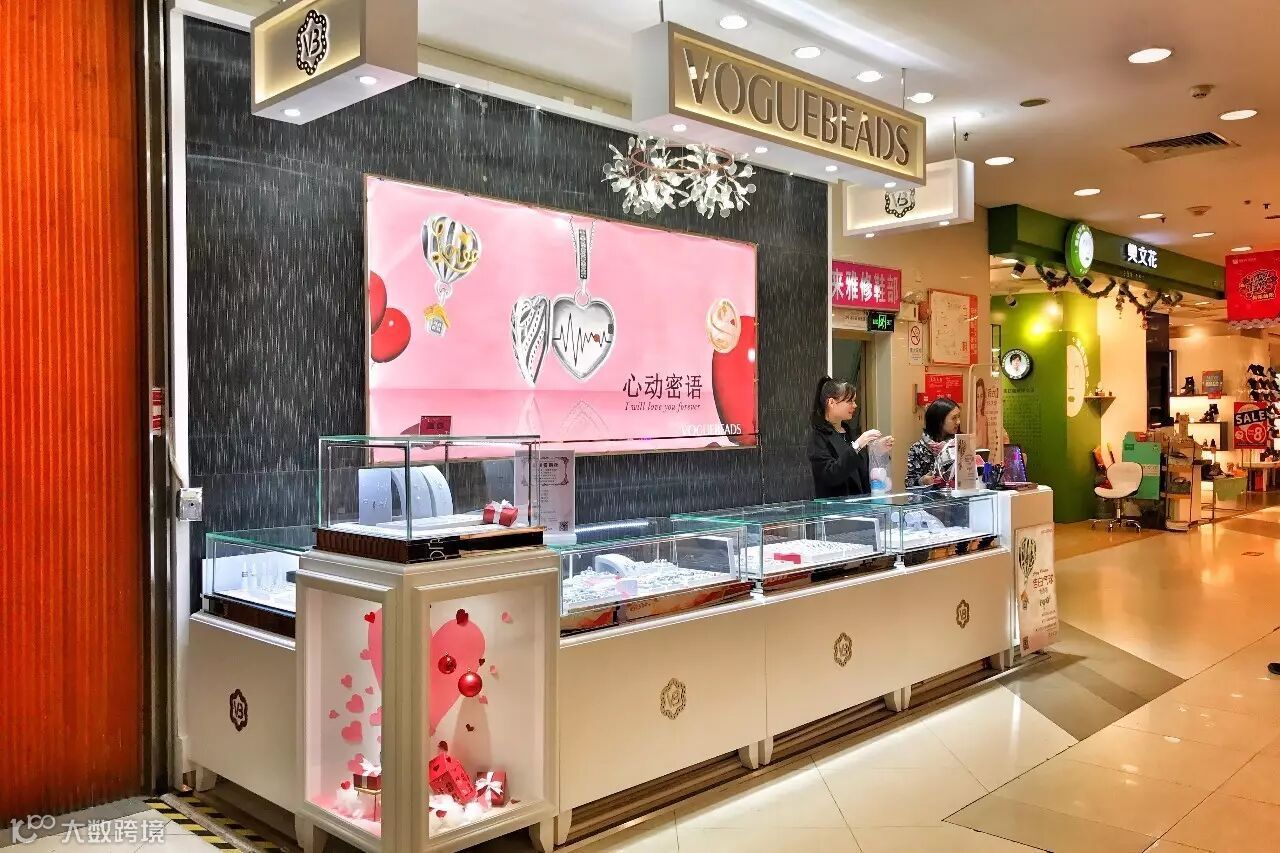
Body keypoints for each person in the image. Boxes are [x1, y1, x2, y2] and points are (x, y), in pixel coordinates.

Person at [807, 377, 893, 498]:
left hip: (860, 503)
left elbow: (862, 470)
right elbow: (830, 475)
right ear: (831, 402)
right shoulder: (819, 437)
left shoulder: (849, 432)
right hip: (835, 506)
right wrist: (858, 445)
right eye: (850, 401)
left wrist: (878, 450)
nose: (855, 405)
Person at [906, 397, 961, 487]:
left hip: (956, 495)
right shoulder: (918, 448)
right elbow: (909, 483)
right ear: (939, 420)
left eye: (959, 417)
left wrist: (949, 452)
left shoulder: (960, 444)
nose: (958, 422)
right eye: (954, 418)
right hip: (929, 495)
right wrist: (923, 481)